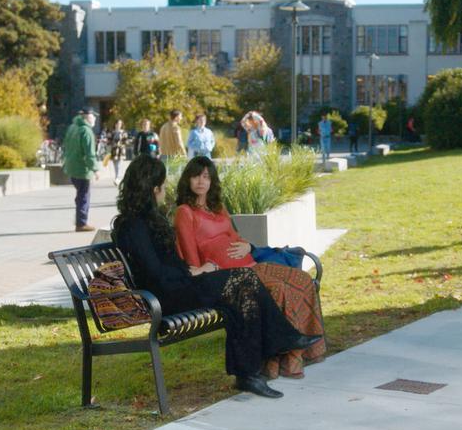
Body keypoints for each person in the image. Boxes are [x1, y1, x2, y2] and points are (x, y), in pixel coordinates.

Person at [111, 155, 321, 398]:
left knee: (242, 289)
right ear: (153, 188)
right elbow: (154, 272)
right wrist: (195, 271)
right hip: (164, 297)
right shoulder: (133, 226)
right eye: (163, 185)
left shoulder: (150, 219)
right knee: (243, 281)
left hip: (180, 285)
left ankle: (250, 374)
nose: (165, 189)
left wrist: (190, 272)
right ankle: (277, 344)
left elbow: (168, 263)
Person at [173, 156, 327, 378]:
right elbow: (191, 259)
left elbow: (235, 237)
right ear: (187, 179)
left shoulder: (218, 207)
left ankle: (307, 351)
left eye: (206, 176)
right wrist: (209, 268)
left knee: (301, 279)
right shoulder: (185, 212)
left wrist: (246, 246)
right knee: (279, 290)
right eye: (196, 176)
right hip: (232, 277)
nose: (200, 181)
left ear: (212, 181)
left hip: (251, 264)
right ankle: (284, 362)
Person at [63, 106, 100, 232]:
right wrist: (95, 169)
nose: (94, 118)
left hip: (71, 167)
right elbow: (90, 153)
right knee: (84, 196)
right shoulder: (86, 131)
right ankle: (81, 223)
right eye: (93, 116)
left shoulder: (73, 127)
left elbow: (65, 146)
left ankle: (79, 219)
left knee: (80, 195)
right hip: (82, 169)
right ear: (87, 116)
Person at [108, 119, 127, 185]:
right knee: (115, 164)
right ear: (115, 124)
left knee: (118, 164)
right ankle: (117, 177)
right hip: (114, 149)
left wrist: (121, 144)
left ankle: (117, 177)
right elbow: (109, 140)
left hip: (120, 150)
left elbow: (125, 141)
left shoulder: (123, 132)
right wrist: (112, 143)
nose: (119, 125)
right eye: (117, 123)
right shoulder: (112, 132)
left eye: (120, 124)